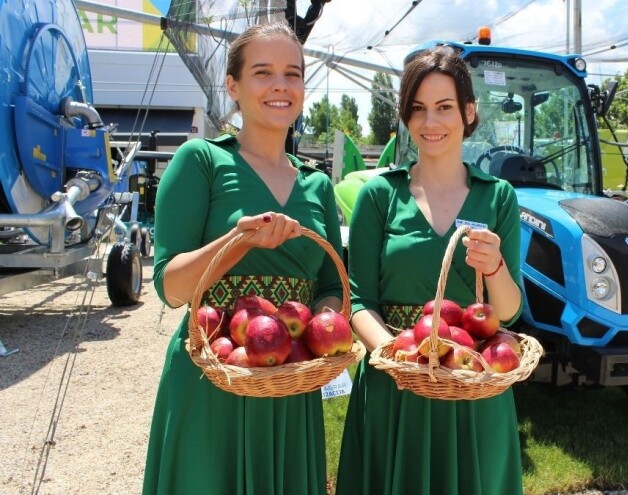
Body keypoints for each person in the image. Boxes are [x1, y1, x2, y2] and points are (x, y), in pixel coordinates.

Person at [142, 21, 343, 495]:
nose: (280, 85)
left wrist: (327, 323)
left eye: (292, 74)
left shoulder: (318, 185)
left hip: (291, 378)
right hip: (215, 376)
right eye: (262, 72)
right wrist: (239, 241)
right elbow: (171, 289)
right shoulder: (201, 162)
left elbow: (332, 286)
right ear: (232, 86)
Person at [336, 46, 524, 495]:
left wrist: (495, 267)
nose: (430, 122)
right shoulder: (380, 195)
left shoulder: (498, 197)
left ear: (469, 112)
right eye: (417, 109)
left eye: (444, 107)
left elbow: (511, 313)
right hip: (395, 388)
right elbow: (359, 301)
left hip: (471, 383)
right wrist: (403, 359)